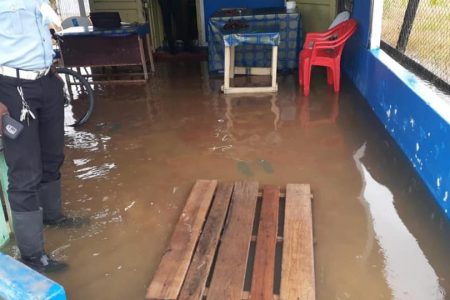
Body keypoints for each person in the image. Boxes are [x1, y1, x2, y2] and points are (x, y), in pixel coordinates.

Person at [0, 0, 82, 273]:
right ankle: (33, 257)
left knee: (53, 156)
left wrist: (53, 73)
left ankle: (53, 217)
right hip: (12, 87)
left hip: (47, 81)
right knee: (25, 172)